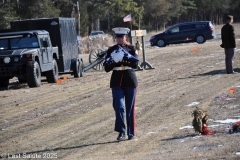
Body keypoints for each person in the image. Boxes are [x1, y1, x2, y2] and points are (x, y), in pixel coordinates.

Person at [104, 27, 139, 141]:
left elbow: (135, 64)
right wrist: (114, 60)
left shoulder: (131, 48)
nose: (119, 39)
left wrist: (123, 59)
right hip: (116, 81)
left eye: (122, 37)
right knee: (119, 107)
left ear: (126, 37)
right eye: (117, 37)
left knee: (130, 109)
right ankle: (121, 131)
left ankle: (131, 133)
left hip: (129, 79)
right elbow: (107, 68)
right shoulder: (111, 50)